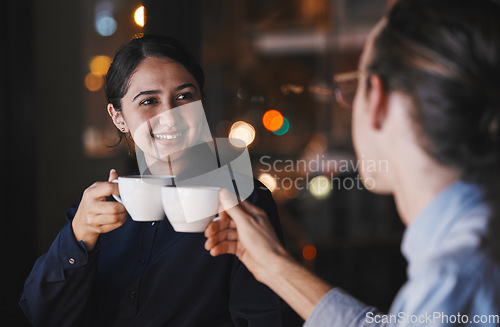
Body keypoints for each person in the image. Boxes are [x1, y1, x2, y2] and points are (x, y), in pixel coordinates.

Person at [204, 0, 500, 326]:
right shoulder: (470, 257)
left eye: (353, 87)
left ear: (377, 98)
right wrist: (272, 264)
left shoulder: (453, 283)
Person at [20, 35, 296, 327]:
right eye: (149, 101)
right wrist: (79, 235)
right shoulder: (96, 209)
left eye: (184, 96)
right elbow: (41, 314)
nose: (170, 116)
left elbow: (266, 318)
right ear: (118, 117)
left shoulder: (244, 199)